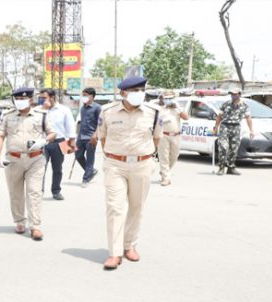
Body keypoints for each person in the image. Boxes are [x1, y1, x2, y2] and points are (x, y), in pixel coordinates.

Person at [97, 76, 163, 270]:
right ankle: (114, 252)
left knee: (136, 207)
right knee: (115, 208)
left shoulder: (154, 113)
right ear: (123, 93)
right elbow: (102, 137)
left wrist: (143, 156)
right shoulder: (107, 112)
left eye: (142, 90)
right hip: (115, 165)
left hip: (142, 165)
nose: (139, 94)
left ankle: (129, 245)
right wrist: (116, 156)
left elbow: (156, 138)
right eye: (134, 90)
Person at [0, 87, 55, 240]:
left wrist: (44, 140)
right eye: (17, 99)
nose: (20, 101)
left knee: (34, 192)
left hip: (35, 159)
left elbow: (52, 133)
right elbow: (0, 136)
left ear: (30, 99)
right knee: (15, 193)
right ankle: (19, 221)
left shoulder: (41, 115)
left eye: (23, 99)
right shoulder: (7, 116)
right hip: (13, 159)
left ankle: (35, 226)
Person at [38, 89, 76, 200]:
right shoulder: (38, 110)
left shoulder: (64, 110)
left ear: (52, 97)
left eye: (44, 97)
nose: (41, 100)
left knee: (58, 168)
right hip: (42, 142)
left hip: (60, 141)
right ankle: (39, 191)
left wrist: (72, 142)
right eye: (40, 98)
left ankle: (56, 191)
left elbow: (70, 126)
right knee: (40, 169)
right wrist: (44, 109)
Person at [214, 88, 254, 176]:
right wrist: (216, 127)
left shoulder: (244, 105)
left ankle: (231, 168)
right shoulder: (225, 104)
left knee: (234, 149)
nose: (233, 95)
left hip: (236, 127)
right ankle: (221, 167)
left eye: (235, 94)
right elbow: (219, 116)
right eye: (231, 94)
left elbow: (248, 117)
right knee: (223, 147)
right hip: (225, 126)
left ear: (239, 94)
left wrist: (251, 130)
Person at [157, 90, 188, 186]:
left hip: (176, 136)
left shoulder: (177, 109)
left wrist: (179, 109)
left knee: (174, 157)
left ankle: (165, 171)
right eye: (166, 99)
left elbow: (186, 117)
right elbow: (157, 122)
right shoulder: (160, 109)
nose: (168, 100)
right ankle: (165, 177)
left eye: (170, 98)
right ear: (163, 99)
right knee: (164, 157)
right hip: (164, 136)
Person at [75, 87, 101, 187]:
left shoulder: (98, 108)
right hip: (81, 136)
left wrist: (95, 135)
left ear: (91, 96)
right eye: (83, 95)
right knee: (78, 156)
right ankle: (91, 171)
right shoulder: (83, 108)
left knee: (90, 158)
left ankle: (86, 179)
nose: (83, 97)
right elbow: (81, 122)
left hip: (91, 137)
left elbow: (100, 123)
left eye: (85, 95)